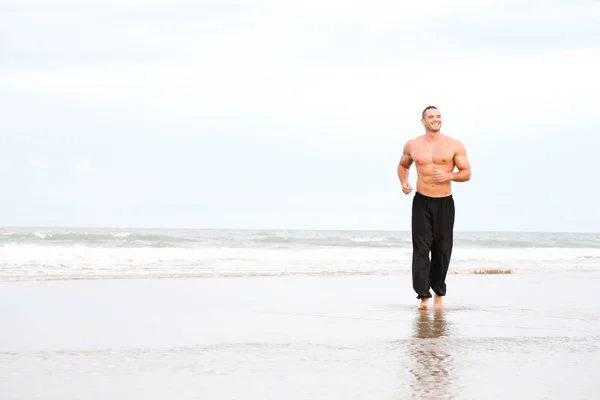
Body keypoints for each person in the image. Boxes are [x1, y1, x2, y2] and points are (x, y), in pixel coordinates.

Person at [397, 106, 472, 310]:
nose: (436, 119)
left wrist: (450, 175)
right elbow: (404, 166)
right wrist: (404, 182)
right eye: (431, 117)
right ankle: (423, 296)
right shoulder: (412, 145)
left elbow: (466, 173)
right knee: (421, 248)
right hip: (421, 201)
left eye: (438, 116)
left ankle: (438, 293)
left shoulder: (454, 145)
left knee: (442, 249)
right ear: (423, 121)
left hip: (444, 202)